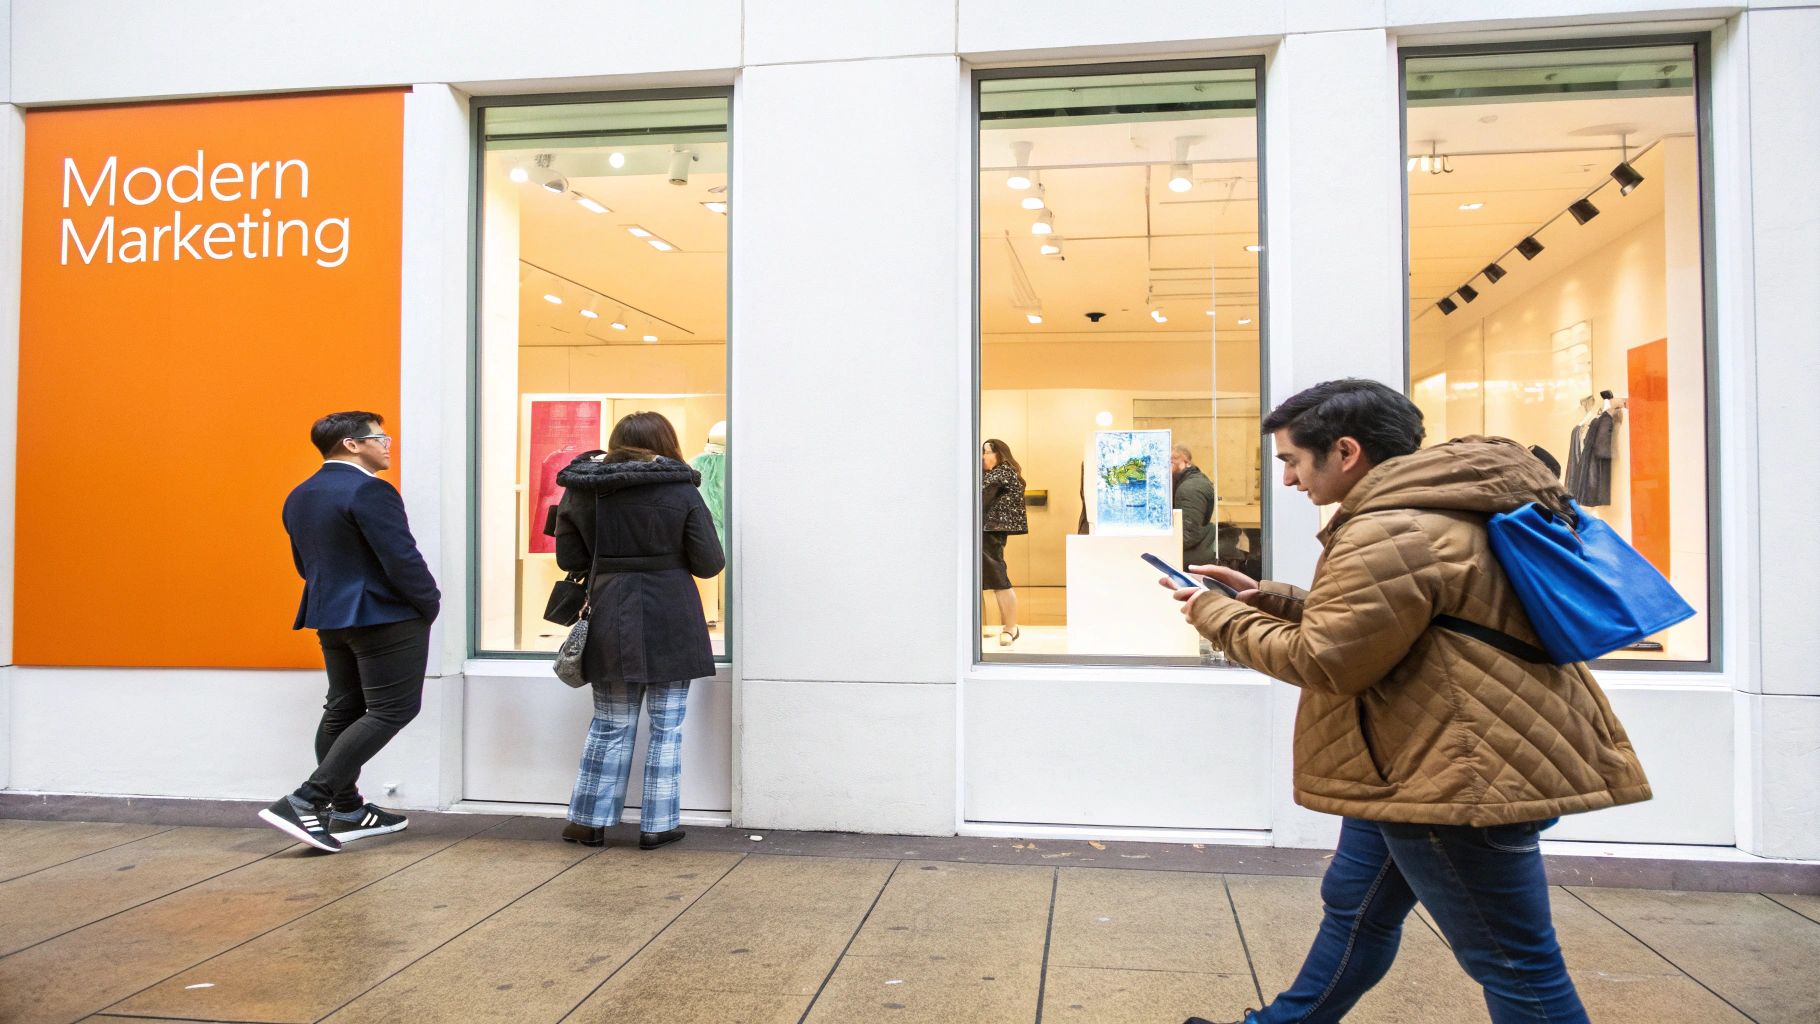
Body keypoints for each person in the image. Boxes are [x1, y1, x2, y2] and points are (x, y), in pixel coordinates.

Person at [1164, 379, 1650, 1024]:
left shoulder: (1391, 527)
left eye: (1289, 460)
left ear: (1344, 451)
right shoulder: (1440, 508)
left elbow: (1324, 661)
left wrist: (1215, 615)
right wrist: (1270, 598)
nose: (1286, 480)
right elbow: (1406, 623)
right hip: (1414, 756)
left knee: (1515, 963)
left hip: (1454, 771)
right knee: (1356, 910)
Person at [260, 411, 440, 853]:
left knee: (343, 709)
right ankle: (307, 799)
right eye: (380, 438)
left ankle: (347, 810)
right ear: (352, 445)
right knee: (392, 709)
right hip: (385, 615)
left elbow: (305, 564)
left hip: (330, 613)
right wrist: (429, 602)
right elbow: (401, 557)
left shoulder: (300, 494)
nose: (388, 444)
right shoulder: (370, 490)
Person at [553, 412, 725, 850]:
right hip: (672, 611)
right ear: (665, 442)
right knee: (668, 727)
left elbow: (569, 559)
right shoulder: (680, 488)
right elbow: (709, 563)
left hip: (610, 608)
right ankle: (658, 824)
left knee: (611, 723)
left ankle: (588, 822)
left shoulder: (582, 488)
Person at [980, 438, 1027, 647]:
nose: (984, 457)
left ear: (1000, 454)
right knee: (990, 579)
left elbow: (982, 501)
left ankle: (1011, 627)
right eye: (983, 452)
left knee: (998, 579)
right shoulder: (994, 475)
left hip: (991, 531)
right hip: (987, 530)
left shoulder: (1001, 473)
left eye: (988, 452)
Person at [1171, 444, 1219, 569]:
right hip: (1195, 558)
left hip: (1191, 561)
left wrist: (1163, 547)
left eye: (1170, 462)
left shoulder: (1190, 488)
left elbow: (1187, 534)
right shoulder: (1191, 483)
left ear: (1185, 462)